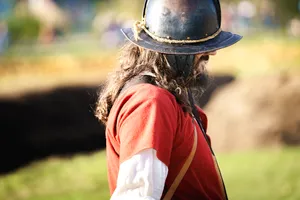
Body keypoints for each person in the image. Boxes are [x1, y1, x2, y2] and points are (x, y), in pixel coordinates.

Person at [95, 0, 242, 199]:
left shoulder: (163, 98)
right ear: (175, 50)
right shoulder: (150, 102)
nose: (212, 52)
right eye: (200, 44)